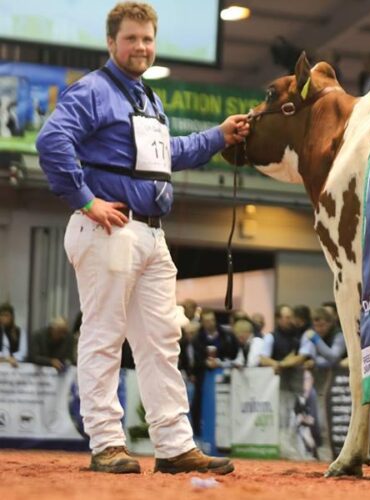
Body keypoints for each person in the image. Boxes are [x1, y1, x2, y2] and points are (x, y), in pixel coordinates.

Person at [34, 1, 248, 475]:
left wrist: (219, 136)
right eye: (131, 38)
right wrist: (86, 200)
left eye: (147, 39)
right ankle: (107, 443)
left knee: (161, 341)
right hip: (108, 227)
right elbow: (52, 141)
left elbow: (168, 153)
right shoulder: (91, 90)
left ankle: (173, 445)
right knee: (104, 337)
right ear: (111, 43)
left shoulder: (148, 99)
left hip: (151, 234)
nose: (141, 47)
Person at [0, 302, 27, 367]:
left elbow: (23, 351)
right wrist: (6, 358)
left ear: (12, 317)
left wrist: (13, 358)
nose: (4, 318)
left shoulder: (19, 331)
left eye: (6, 315)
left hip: (15, 364)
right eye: (2, 315)